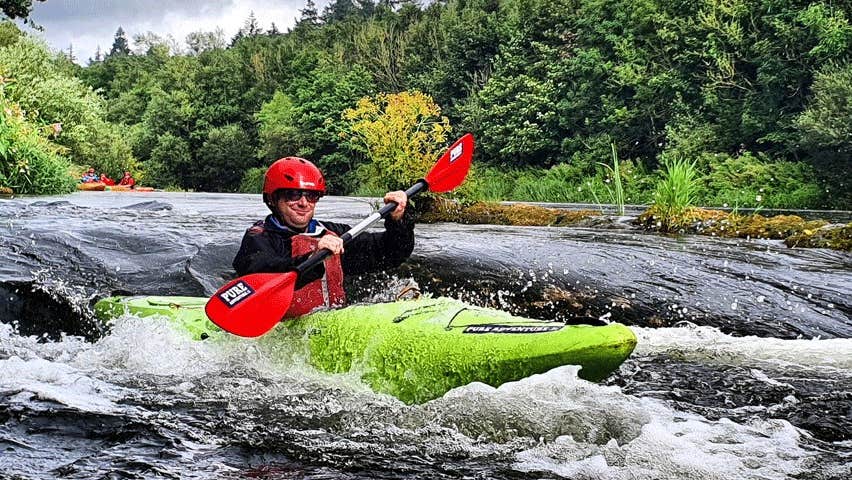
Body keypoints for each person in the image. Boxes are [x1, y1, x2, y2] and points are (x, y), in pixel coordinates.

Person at [232, 156, 414, 317]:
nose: (303, 203)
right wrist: (312, 258)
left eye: (311, 196)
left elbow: (391, 253)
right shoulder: (258, 238)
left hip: (329, 323)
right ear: (273, 199)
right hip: (285, 329)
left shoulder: (334, 234)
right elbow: (259, 275)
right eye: (292, 195)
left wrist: (398, 220)